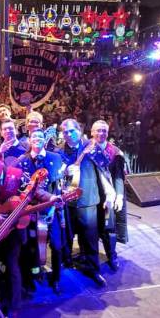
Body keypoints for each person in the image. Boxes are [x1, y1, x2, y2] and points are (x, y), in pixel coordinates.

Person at [0, 149, 59, 313]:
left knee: (12, 265)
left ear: (1, 160)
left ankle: (15, 305)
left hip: (14, 231)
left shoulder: (16, 174)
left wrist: (51, 198)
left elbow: (34, 190)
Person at [55, 118, 107, 287]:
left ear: (79, 130)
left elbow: (105, 164)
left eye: (72, 131)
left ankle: (93, 269)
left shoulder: (90, 146)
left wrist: (97, 151)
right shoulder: (58, 151)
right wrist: (64, 172)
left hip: (88, 199)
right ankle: (65, 266)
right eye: (65, 132)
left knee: (90, 238)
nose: (69, 135)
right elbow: (55, 177)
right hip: (67, 202)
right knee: (67, 237)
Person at [14, 129, 66, 294]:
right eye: (34, 136)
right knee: (30, 247)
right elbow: (22, 188)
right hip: (31, 212)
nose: (37, 139)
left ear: (45, 140)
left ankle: (56, 278)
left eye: (40, 136)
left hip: (52, 210)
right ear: (29, 140)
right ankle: (31, 279)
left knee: (57, 245)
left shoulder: (55, 158)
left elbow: (59, 186)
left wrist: (55, 205)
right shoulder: (21, 161)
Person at [90, 120, 128, 271]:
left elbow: (118, 176)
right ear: (92, 132)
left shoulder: (114, 152)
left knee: (109, 228)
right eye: (98, 131)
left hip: (108, 197)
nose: (101, 134)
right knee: (89, 228)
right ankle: (88, 256)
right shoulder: (86, 150)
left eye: (104, 131)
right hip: (90, 196)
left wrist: (118, 196)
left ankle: (112, 255)